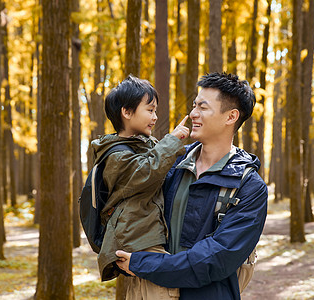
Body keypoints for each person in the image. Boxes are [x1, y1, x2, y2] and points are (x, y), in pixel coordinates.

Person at [115, 72, 268, 300]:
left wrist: (143, 264)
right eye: (194, 105)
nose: (193, 113)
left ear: (231, 117)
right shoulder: (171, 163)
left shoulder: (249, 187)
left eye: (203, 107)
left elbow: (216, 259)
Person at [93, 75, 189, 299]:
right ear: (126, 112)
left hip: (143, 237)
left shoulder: (142, 146)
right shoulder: (116, 155)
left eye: (156, 111)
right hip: (140, 240)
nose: (155, 117)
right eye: (150, 110)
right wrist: (173, 140)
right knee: (163, 292)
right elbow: (146, 173)